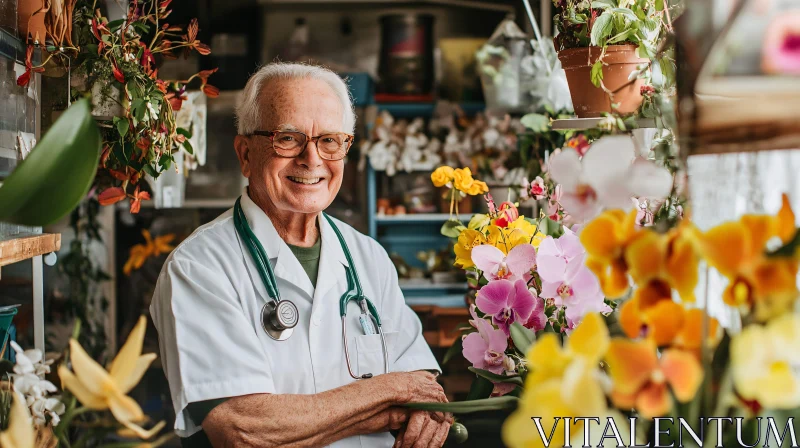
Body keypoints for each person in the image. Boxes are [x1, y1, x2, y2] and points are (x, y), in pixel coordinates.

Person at [150, 62, 453, 448]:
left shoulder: (369, 258)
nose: (312, 160)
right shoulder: (199, 267)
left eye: (330, 140)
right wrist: (388, 395)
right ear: (245, 154)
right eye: (288, 138)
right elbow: (245, 430)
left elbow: (425, 394)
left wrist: (406, 398)